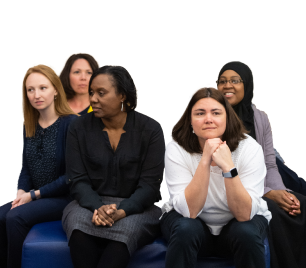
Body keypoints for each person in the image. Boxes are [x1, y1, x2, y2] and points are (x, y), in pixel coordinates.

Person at [62, 64, 165, 268]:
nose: (93, 99)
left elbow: (149, 187)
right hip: (88, 204)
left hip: (137, 208)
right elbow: (77, 180)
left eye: (101, 93)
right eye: (91, 93)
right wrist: (98, 207)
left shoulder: (151, 129)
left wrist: (121, 210)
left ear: (122, 96)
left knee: (123, 237)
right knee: (78, 233)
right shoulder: (78, 128)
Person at [160, 85, 271, 268]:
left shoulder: (249, 148)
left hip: (239, 222)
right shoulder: (176, 148)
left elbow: (244, 214)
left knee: (246, 232)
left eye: (216, 113)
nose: (208, 119)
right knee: (186, 229)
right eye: (200, 113)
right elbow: (190, 211)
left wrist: (228, 166)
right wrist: (205, 160)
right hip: (191, 221)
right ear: (190, 120)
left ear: (227, 117)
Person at [217, 60, 306, 268]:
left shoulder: (260, 117)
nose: (227, 86)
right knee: (272, 210)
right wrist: (268, 193)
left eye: (235, 80)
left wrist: (281, 191)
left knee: (297, 203)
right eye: (222, 81)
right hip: (237, 189)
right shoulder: (215, 116)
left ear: (247, 84)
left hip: (264, 180)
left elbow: (269, 162)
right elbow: (227, 169)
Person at [0, 63, 77, 268]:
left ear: (55, 90)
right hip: (34, 195)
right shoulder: (30, 123)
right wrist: (20, 191)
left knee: (15, 217)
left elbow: (71, 177)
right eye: (30, 89)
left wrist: (33, 195)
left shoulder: (71, 124)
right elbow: (26, 167)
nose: (36, 95)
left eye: (43, 88)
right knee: (1, 215)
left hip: (65, 198)